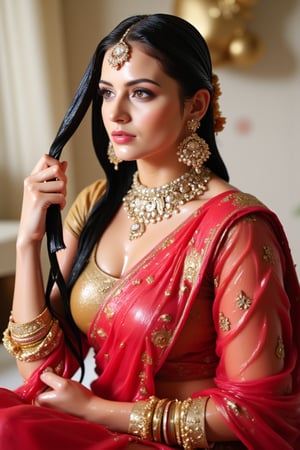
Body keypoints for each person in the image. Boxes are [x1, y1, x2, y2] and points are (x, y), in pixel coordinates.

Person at [1, 13, 299, 450]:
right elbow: (43, 374)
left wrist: (95, 410)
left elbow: (251, 412)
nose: (115, 113)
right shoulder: (95, 206)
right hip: (103, 429)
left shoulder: (236, 230)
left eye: (141, 93)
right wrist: (28, 243)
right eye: (106, 93)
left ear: (196, 105)